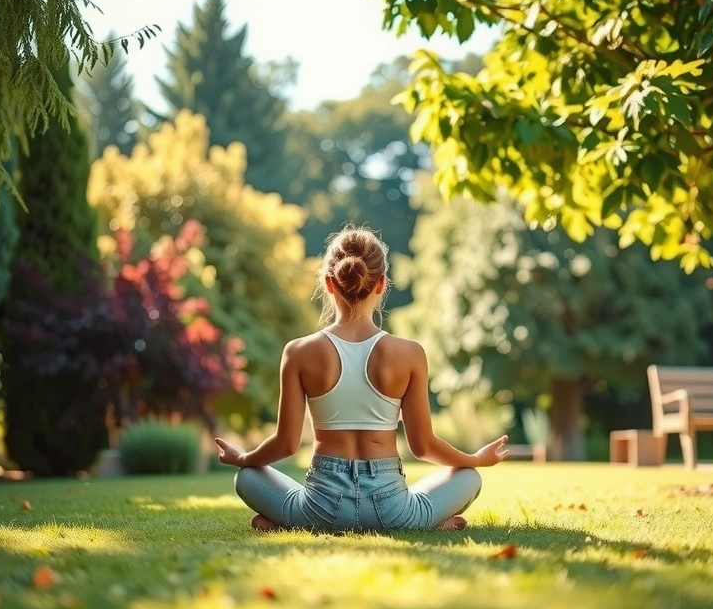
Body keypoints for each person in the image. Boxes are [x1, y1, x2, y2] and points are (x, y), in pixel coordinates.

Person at [214, 226, 511, 532]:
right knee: (469, 477)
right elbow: (423, 447)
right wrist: (474, 459)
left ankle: (291, 522)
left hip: (320, 509)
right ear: (381, 284)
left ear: (330, 284)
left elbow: (286, 444)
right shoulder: (410, 354)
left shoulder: (299, 352)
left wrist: (245, 458)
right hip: (394, 512)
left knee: (247, 476)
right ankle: (424, 522)